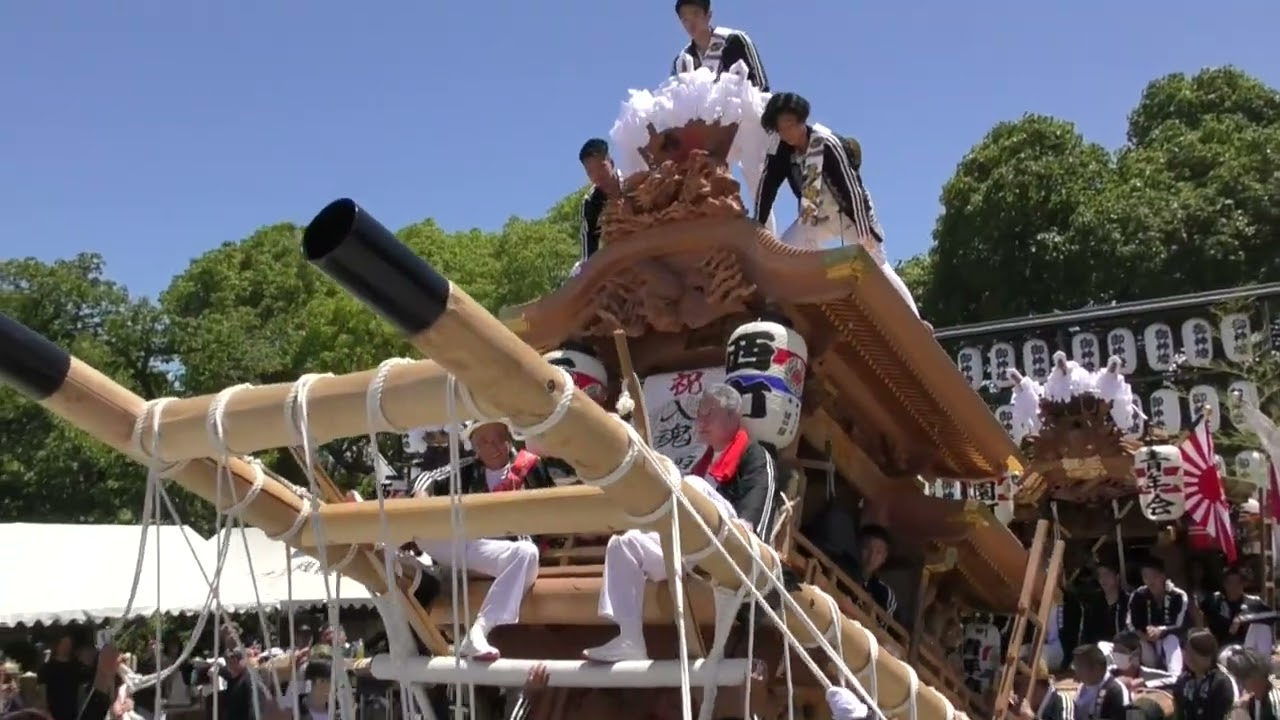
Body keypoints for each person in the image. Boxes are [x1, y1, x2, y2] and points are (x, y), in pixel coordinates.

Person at [581, 384, 777, 662]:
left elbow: (760, 498)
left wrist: (749, 529)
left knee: (690, 485)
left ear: (734, 417)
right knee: (623, 544)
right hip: (686, 544)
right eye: (699, 415)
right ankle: (629, 639)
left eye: (709, 414)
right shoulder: (703, 463)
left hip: (729, 545)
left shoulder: (755, 455)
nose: (701, 422)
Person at [753, 92, 921, 319]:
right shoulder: (781, 151)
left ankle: (915, 319)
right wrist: (758, 224)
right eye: (781, 129)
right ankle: (784, 310)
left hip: (850, 213)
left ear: (802, 120)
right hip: (814, 215)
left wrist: (864, 231)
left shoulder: (826, 143)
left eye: (790, 125)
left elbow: (852, 188)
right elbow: (768, 186)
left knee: (876, 265)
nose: (787, 133)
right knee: (786, 251)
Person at [413, 420, 548, 660]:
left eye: (498, 438)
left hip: (505, 553)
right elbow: (426, 477)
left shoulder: (530, 466)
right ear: (475, 448)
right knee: (420, 532)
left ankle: (479, 632)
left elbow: (556, 507)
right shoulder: (466, 468)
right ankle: (376, 544)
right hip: (464, 546)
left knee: (526, 553)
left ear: (509, 439)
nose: (494, 446)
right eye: (485, 442)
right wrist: (421, 496)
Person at [669, 0, 768, 91]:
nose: (691, 23)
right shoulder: (681, 61)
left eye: (696, 15)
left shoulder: (733, 40)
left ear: (708, 15)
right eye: (685, 19)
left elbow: (760, 85)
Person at [1126, 556, 1190, 675]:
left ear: (1163, 576)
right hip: (1146, 641)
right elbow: (1130, 623)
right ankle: (1148, 675)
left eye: (1154, 576)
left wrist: (1160, 631)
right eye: (1145, 576)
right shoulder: (1138, 596)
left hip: (1170, 642)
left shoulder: (1178, 596)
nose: (1150, 581)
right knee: (1137, 643)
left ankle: (1174, 676)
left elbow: (1180, 624)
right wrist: (1142, 634)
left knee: (1171, 640)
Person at [572, 138, 623, 277]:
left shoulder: (634, 180)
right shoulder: (590, 202)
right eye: (590, 172)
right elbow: (589, 248)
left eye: (601, 167)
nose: (597, 176)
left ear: (611, 162)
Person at [1205, 566, 1275, 656]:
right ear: (1225, 584)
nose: (1234, 586)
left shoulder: (1252, 601)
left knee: (1261, 625)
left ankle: (1264, 663)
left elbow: (1271, 616)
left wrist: (1242, 618)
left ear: (1243, 584)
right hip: (1224, 649)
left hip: (1248, 647)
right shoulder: (1216, 602)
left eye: (1238, 583)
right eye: (1231, 583)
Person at [1174, 630, 1238, 720]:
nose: (1190, 657)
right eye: (1187, 652)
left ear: (1208, 654)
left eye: (1194, 653)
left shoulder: (1220, 682)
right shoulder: (1182, 681)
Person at [35, 635, 89, 720]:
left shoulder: (76, 667)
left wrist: (81, 709)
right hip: (53, 711)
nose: (66, 647)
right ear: (57, 645)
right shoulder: (47, 668)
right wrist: (45, 709)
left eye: (69, 645)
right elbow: (42, 689)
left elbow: (81, 690)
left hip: (72, 711)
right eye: (64, 644)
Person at [1071, 644, 1130, 720]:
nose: (1076, 670)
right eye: (1075, 665)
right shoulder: (1082, 687)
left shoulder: (1116, 691)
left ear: (1097, 668)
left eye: (1079, 666)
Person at [1080, 561, 1131, 646]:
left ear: (1117, 577)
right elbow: (1087, 633)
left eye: (1107, 574)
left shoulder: (1129, 602)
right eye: (1100, 575)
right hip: (1098, 653)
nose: (1103, 579)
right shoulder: (1093, 604)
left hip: (1124, 650)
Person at [1224, 647, 1280, 720]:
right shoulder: (1252, 702)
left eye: (1242, 678)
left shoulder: (1275, 704)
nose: (1241, 684)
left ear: (1256, 674)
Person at [857, 525, 898, 622]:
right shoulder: (842, 568)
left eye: (878, 552)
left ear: (884, 557)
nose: (871, 557)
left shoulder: (885, 594)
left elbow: (885, 627)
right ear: (858, 546)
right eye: (867, 548)